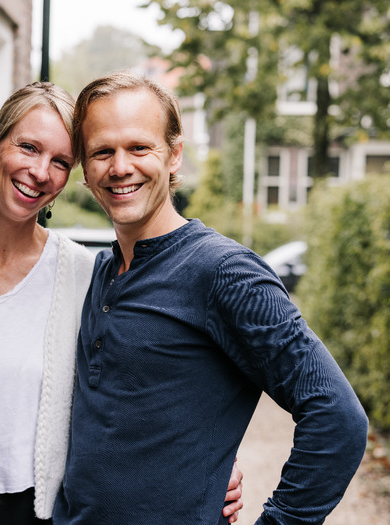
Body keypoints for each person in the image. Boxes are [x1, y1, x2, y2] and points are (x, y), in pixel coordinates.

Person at [0, 82, 244, 525]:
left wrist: (195, 468)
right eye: (28, 147)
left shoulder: (82, 274)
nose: (39, 171)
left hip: (35, 515)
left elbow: (128, 391)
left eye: (60, 162)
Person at [53, 71, 369, 524]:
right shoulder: (102, 270)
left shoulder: (225, 273)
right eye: (102, 151)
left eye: (139, 147)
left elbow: (337, 419)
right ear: (85, 167)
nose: (119, 167)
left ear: (174, 154)